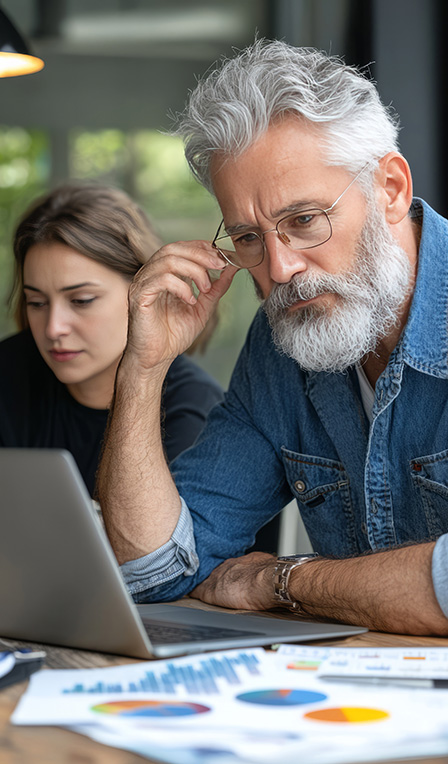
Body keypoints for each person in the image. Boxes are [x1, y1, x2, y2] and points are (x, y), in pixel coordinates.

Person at [96, 40, 448, 635]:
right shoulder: (288, 335)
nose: (280, 269)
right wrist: (143, 367)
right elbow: (149, 569)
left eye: (304, 220)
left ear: (389, 188)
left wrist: (281, 581)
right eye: (249, 238)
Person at [0, 183, 223, 496]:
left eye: (82, 300)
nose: (53, 328)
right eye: (36, 303)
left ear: (145, 293)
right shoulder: (9, 374)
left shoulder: (195, 414)